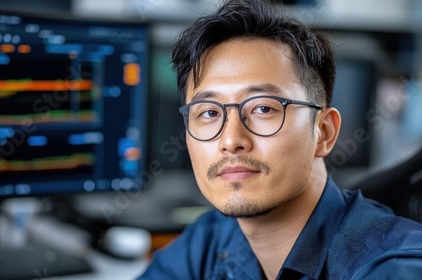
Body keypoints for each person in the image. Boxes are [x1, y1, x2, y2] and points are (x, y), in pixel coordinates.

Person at [138, 0, 422, 279]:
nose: (231, 140)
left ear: (324, 132)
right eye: (209, 112)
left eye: (263, 108)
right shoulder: (212, 239)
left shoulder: (387, 269)